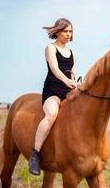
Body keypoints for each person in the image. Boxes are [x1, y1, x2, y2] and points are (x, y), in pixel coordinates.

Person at [29, 18, 78, 175]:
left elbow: (73, 71)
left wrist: (75, 82)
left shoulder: (72, 52)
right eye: (65, 31)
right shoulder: (51, 48)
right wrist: (66, 81)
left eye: (70, 31)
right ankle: (35, 155)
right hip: (53, 90)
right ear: (57, 32)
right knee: (51, 115)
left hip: (69, 90)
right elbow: (55, 69)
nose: (68, 34)